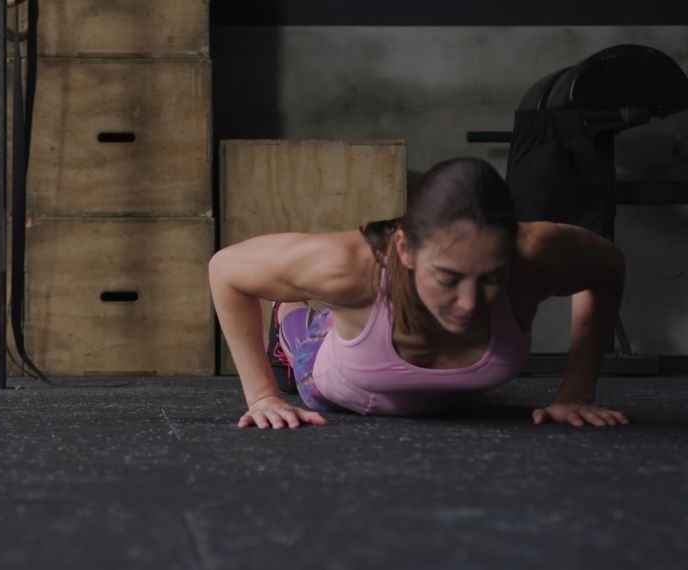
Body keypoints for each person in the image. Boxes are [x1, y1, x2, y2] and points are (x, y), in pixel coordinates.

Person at [208, 157, 630, 430]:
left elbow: (608, 267)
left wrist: (576, 394)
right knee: (311, 336)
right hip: (332, 378)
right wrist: (262, 397)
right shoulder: (349, 265)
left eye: (491, 279)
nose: (470, 304)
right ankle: (290, 310)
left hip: (446, 396)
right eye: (448, 278)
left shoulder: (535, 256)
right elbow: (225, 269)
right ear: (405, 249)